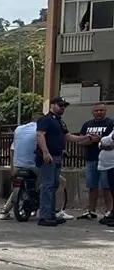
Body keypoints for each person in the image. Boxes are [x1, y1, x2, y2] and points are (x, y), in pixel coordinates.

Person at [37, 97, 92, 227]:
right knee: (48, 186)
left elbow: (68, 136)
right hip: (49, 157)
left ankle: (51, 214)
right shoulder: (46, 120)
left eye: (64, 106)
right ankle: (44, 216)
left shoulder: (60, 122)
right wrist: (45, 151)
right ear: (52, 105)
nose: (62, 108)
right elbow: (40, 135)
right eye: (60, 105)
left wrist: (85, 137)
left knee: (54, 185)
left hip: (57, 156)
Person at [79, 103, 114, 220]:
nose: (99, 112)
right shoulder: (87, 125)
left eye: (101, 110)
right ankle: (91, 210)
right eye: (96, 110)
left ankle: (109, 210)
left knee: (107, 187)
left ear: (105, 111)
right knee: (92, 186)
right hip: (91, 159)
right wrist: (91, 141)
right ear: (92, 112)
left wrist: (100, 141)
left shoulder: (110, 124)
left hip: (107, 161)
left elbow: (109, 142)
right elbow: (80, 141)